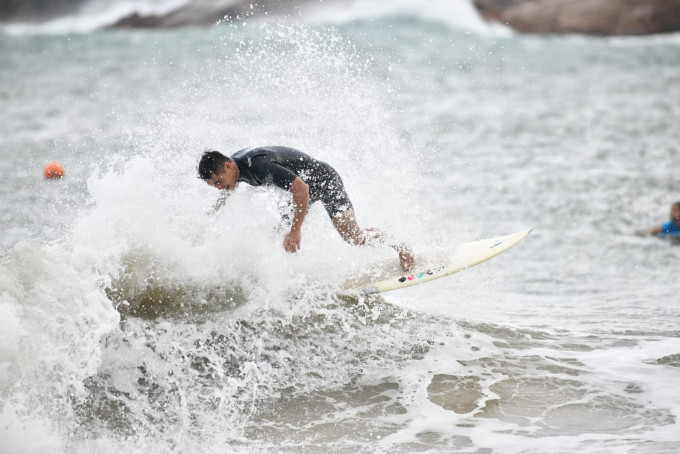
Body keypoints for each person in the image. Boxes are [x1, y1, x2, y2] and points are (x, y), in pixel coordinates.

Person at [197, 146, 416, 271]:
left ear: (227, 165)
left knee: (353, 236)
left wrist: (296, 229)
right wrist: (212, 214)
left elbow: (300, 188)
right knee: (276, 236)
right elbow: (228, 188)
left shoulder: (259, 166)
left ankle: (401, 246)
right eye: (213, 186)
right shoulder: (233, 170)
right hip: (304, 186)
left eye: (218, 181)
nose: (219, 188)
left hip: (324, 180)